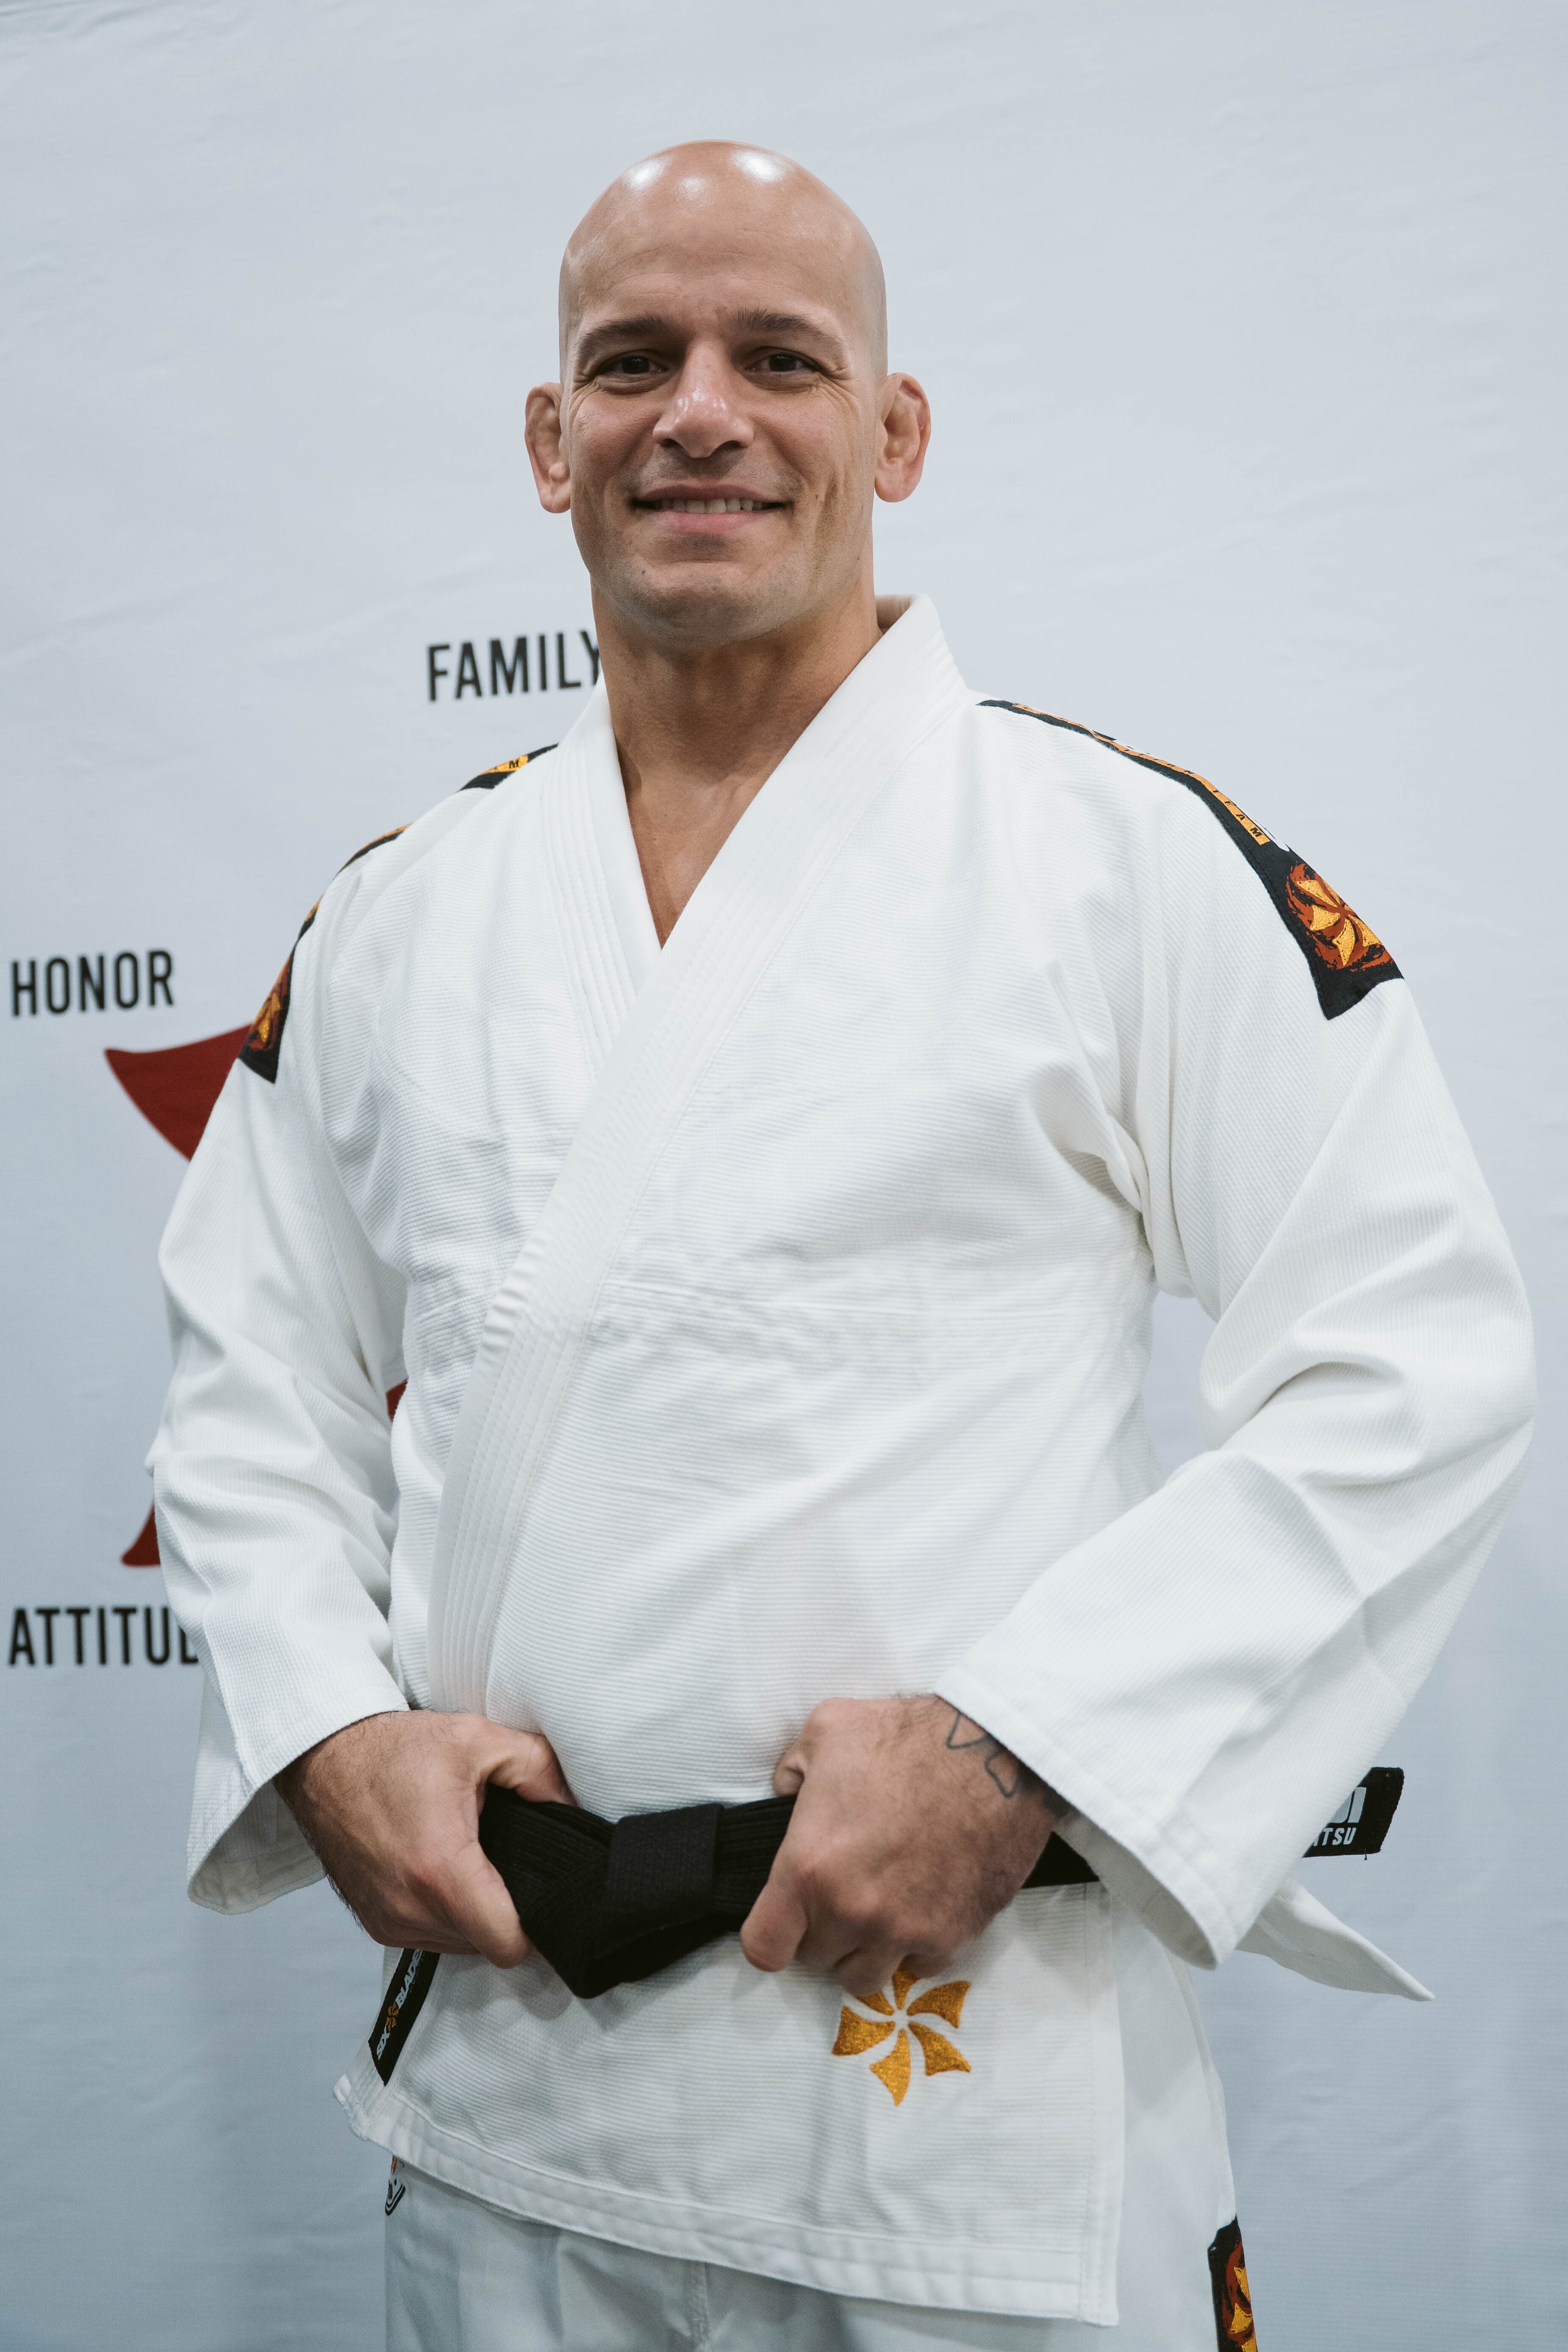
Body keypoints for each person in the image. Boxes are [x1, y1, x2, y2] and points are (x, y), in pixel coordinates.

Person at [150, 141, 1533, 2352]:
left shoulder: (1116, 862)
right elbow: (247, 1376)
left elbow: (1412, 1353)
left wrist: (1023, 1748)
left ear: (889, 432)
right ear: (549, 440)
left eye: (775, 358)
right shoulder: (402, 916)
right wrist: (326, 1727)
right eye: (633, 363)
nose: (699, 412)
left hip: (965, 2121)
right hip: (517, 2092)